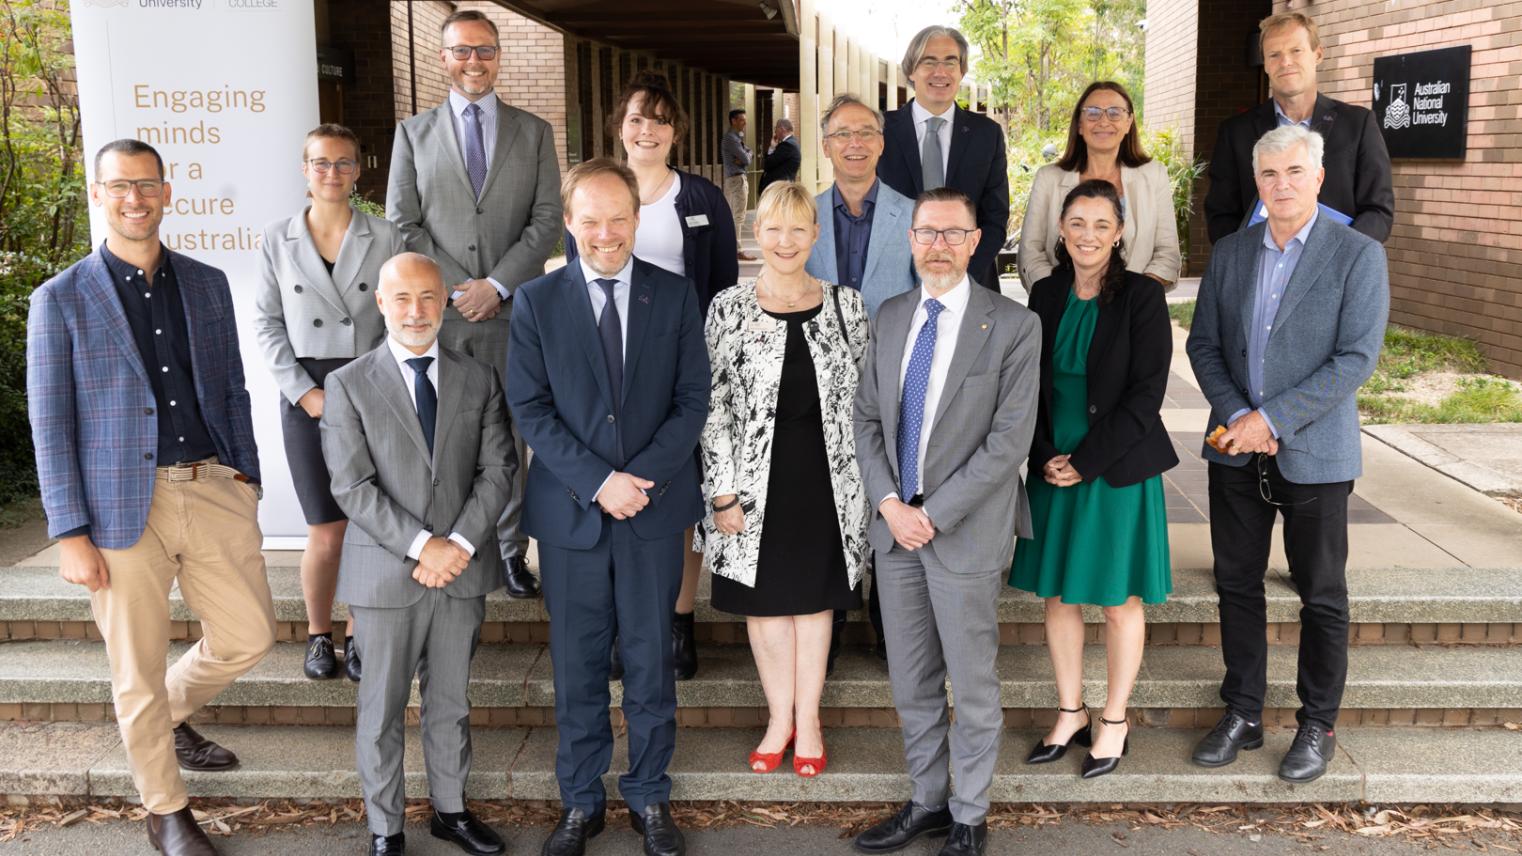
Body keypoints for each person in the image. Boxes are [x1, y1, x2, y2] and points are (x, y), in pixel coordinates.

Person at [27, 139, 277, 856]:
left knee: (249, 636)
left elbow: (231, 387)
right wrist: (69, 530)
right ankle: (165, 809)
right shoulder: (61, 299)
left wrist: (246, 476)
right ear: (99, 195)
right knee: (133, 666)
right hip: (115, 510)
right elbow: (51, 422)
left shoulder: (204, 283)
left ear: (167, 193)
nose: (134, 198)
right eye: (119, 186)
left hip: (211, 486)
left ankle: (156, 717)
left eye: (146, 185)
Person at [507, 159, 709, 856]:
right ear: (568, 222)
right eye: (589, 219)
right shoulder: (536, 302)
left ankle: (650, 796)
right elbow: (530, 409)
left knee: (652, 662)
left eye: (618, 217)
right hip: (572, 515)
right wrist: (600, 481)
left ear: (637, 218)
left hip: (652, 512)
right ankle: (581, 801)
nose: (604, 232)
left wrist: (638, 480)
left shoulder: (675, 296)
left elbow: (692, 403)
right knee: (579, 663)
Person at [1186, 125, 1388, 784]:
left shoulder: (1357, 255)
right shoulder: (1231, 252)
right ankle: (1243, 712)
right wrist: (1242, 419)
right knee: (1237, 586)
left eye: (1294, 172)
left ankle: (1317, 724)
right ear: (1257, 181)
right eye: (1269, 175)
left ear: (1319, 176)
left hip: (1316, 452)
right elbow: (1204, 346)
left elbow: (1355, 358)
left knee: (1323, 596)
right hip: (1237, 454)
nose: (1281, 186)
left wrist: (1273, 419)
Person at [852, 188, 1041, 856]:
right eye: (926, 232)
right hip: (896, 531)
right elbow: (867, 421)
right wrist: (890, 506)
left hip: (962, 531)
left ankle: (969, 813)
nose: (937, 245)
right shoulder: (892, 315)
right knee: (911, 681)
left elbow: (1009, 442)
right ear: (911, 240)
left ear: (976, 241)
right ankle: (928, 800)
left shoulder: (1014, 326)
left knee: (973, 681)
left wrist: (931, 514)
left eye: (951, 233)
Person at [321, 253, 515, 856]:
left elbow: (499, 468)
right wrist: (420, 545)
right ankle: (386, 827)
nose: (415, 310)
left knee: (451, 702)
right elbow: (351, 486)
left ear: (445, 302)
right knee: (380, 709)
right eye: (402, 298)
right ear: (380, 303)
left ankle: (450, 812)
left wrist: (455, 545)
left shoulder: (478, 377)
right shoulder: (348, 383)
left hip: (459, 571)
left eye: (428, 297)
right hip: (385, 575)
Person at [564, 71, 739, 683]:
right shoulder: (594, 194)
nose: (647, 129)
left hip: (677, 367)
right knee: (613, 487)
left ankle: (677, 620)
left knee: (678, 495)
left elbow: (720, 287)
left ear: (676, 132)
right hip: (608, 367)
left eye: (660, 120)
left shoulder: (702, 200)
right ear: (620, 126)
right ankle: (620, 621)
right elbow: (574, 281)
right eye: (637, 118)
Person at [386, 8, 561, 600]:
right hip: (441, 319)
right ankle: (458, 546)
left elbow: (545, 222)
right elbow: (402, 224)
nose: (474, 62)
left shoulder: (533, 132)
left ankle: (512, 553)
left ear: (498, 56)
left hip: (514, 314)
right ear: (443, 59)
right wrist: (462, 287)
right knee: (450, 439)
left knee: (513, 438)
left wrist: (498, 285)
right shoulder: (412, 134)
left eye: (484, 50)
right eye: (462, 51)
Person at [702, 182, 871, 778]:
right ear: (756, 235)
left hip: (829, 480)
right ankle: (779, 719)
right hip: (751, 485)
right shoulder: (727, 306)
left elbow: (868, 401)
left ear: (815, 235)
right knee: (767, 606)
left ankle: (811, 719)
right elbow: (712, 405)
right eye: (773, 228)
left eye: (797, 228)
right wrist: (721, 490)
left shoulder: (847, 304)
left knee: (814, 604)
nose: (784, 240)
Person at [1009, 180, 1177, 779]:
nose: (1087, 235)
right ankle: (1069, 711)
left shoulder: (1141, 298)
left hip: (1116, 468)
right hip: (1055, 466)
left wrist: (1086, 461)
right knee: (1058, 596)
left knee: (1116, 600)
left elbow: (1146, 396)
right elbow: (1028, 383)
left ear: (1120, 231)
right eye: (1076, 222)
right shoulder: (1047, 292)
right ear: (1060, 229)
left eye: (1101, 224)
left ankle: (1113, 719)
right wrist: (1047, 453)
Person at [255, 123, 404, 684]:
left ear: (358, 169)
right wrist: (305, 392)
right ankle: (319, 634)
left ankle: (358, 632)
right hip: (306, 390)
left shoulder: (385, 237)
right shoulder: (277, 238)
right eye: (321, 163)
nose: (332, 173)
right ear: (304, 170)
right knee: (325, 527)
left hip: (371, 385)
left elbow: (400, 315)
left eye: (343, 163)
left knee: (369, 525)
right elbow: (268, 324)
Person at [803, 92, 918, 669]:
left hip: (891, 377)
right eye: (842, 134)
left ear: (881, 142)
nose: (855, 143)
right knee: (827, 496)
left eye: (866, 133)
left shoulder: (912, 213)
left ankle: (885, 621)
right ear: (825, 146)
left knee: (886, 488)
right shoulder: (804, 213)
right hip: (815, 378)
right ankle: (833, 612)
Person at [1204, 11, 1394, 244]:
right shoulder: (1235, 133)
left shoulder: (1358, 125)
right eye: (1274, 54)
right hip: (1261, 274)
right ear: (1265, 64)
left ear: (1318, 54)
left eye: (1296, 51)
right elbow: (1220, 215)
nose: (1285, 62)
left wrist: (1340, 258)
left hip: (1336, 274)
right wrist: (1247, 261)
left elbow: (1378, 211)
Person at [878, 26, 1008, 290]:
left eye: (950, 62)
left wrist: (958, 279)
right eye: (929, 62)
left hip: (970, 284)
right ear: (911, 70)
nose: (941, 72)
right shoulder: (879, 130)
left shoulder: (987, 135)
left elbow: (995, 217)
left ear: (962, 72)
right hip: (895, 287)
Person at [1019, 82, 1180, 289]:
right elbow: (1030, 252)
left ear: (1128, 122)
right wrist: (1064, 296)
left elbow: (1167, 253)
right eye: (1093, 113)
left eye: (1115, 112)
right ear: (1079, 124)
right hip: (1064, 309)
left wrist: (1135, 299)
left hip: (1136, 311)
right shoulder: (1048, 178)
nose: (1104, 121)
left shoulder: (1154, 175)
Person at [722, 108, 755, 261]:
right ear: (733, 121)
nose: (745, 122)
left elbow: (747, 154)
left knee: (735, 216)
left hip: (735, 179)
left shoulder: (735, 138)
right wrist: (745, 155)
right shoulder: (731, 138)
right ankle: (737, 250)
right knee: (738, 217)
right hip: (737, 179)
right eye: (741, 120)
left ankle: (732, 248)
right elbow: (747, 159)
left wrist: (745, 154)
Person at [759, 118, 801, 196]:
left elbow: (767, 164)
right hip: (781, 189)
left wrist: (772, 148)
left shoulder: (787, 145)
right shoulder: (792, 143)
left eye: (776, 129)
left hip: (779, 190)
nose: (775, 132)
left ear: (782, 129)